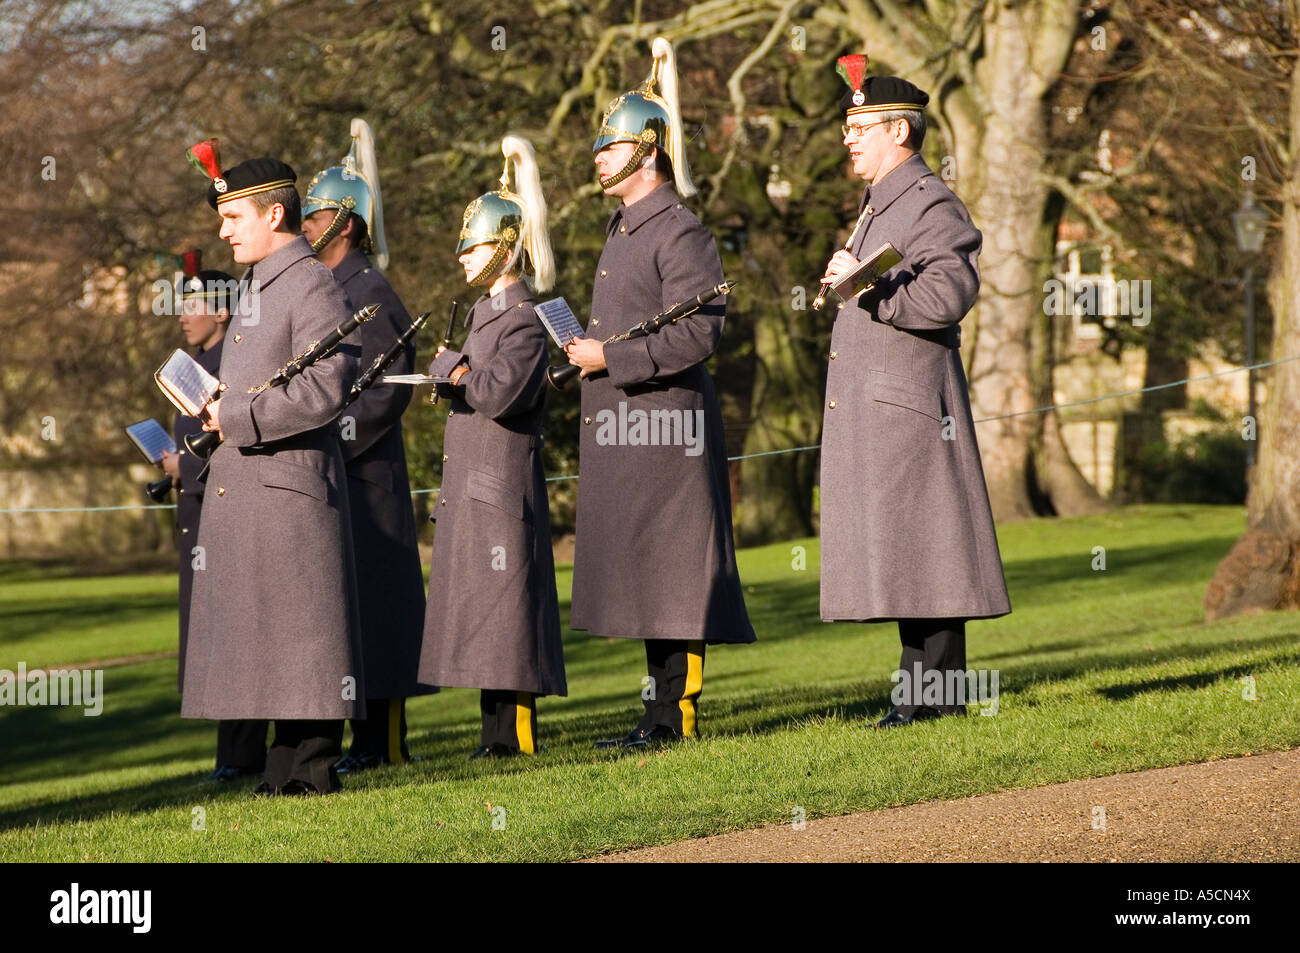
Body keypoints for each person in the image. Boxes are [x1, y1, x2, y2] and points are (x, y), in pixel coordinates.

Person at [564, 38, 755, 750]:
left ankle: (678, 715)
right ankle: (653, 714)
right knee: (646, 574)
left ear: (648, 153)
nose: (598, 158)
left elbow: (698, 335)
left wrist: (607, 356)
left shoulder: (681, 230)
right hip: (623, 426)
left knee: (674, 576)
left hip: (668, 429)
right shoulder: (621, 229)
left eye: (609, 148)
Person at [816, 56, 1011, 729]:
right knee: (910, 553)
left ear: (899, 131)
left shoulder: (929, 202)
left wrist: (868, 287)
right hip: (887, 407)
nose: (848, 135)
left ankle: (937, 698)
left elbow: (949, 294)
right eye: (848, 124)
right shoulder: (880, 204)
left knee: (930, 551)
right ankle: (920, 696)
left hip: (913, 406)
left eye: (860, 124)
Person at [180, 141, 365, 794]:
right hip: (252, 484)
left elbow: (329, 384)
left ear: (274, 217)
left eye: (234, 218)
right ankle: (283, 770)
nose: (224, 230)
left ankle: (311, 771)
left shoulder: (309, 281)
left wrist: (236, 417)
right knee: (270, 635)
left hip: (287, 486)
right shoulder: (260, 283)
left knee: (303, 636)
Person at [417, 135, 565, 758]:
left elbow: (500, 393)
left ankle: (515, 737)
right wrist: (451, 375)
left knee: (508, 611)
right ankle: (493, 735)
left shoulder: (525, 318)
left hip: (500, 484)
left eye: (471, 246)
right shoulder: (486, 314)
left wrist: (454, 372)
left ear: (503, 247)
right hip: (475, 482)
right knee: (483, 608)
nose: (460, 258)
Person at [301, 119, 429, 773]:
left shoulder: (369, 291)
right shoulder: (327, 290)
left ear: (346, 222)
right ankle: (361, 741)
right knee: (347, 614)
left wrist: (333, 441)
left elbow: (383, 392)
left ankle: (387, 742)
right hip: (335, 478)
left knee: (381, 613)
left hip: (366, 476)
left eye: (314, 214)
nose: (303, 224)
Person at [161, 258, 267, 781]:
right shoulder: (198, 357)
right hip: (197, 518)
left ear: (223, 312)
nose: (183, 316)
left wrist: (186, 465)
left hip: (223, 510)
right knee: (219, 636)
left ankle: (244, 756)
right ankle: (233, 754)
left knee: (237, 632)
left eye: (194, 305)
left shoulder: (231, 359)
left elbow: (231, 437)